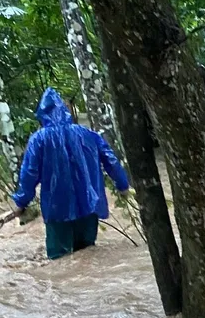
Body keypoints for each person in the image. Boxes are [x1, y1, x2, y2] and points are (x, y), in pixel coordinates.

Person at [9, 88, 130, 260]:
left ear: (42, 115)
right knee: (88, 257)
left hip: (57, 209)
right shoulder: (88, 134)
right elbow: (111, 160)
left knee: (60, 260)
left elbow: (29, 173)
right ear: (65, 112)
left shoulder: (39, 139)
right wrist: (123, 185)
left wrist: (21, 202)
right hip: (89, 205)